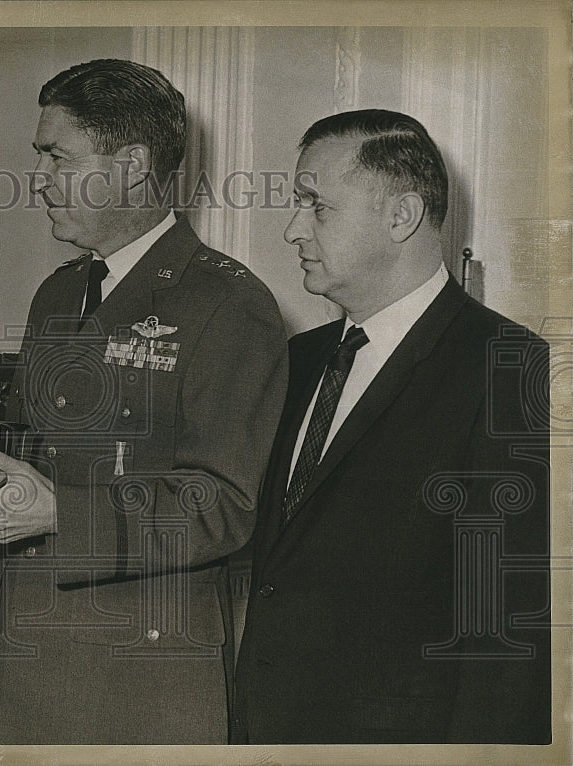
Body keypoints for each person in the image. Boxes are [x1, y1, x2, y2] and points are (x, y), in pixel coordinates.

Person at [0, 59, 288, 744]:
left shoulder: (226, 303)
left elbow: (223, 504)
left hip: (143, 674)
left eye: (57, 158)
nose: (40, 180)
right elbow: (14, 465)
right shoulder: (59, 294)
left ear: (131, 165)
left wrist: (60, 513)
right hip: (33, 655)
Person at [232, 109, 551, 743]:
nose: (292, 229)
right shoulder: (297, 361)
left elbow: (509, 636)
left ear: (401, 216)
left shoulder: (508, 369)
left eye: (315, 206)